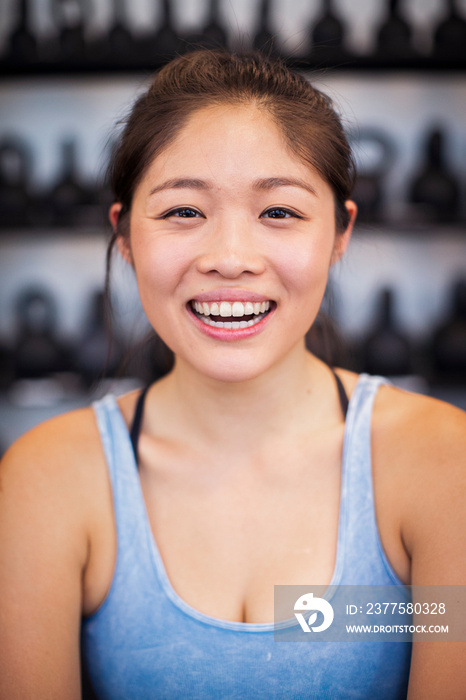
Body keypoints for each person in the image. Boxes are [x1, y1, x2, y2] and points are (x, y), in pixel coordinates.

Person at [0, 49, 465, 700]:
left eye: (279, 211)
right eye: (184, 211)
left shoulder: (442, 463)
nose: (230, 258)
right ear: (126, 238)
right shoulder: (47, 478)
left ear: (339, 233)